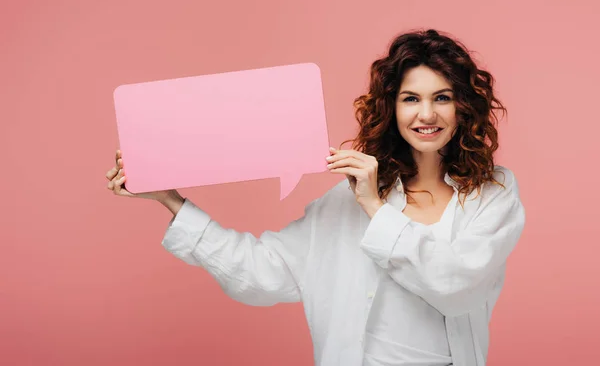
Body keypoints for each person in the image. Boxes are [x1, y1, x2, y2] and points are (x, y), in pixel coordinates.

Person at [105, 29, 526, 366]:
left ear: (464, 108)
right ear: (391, 108)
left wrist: (375, 209)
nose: (426, 115)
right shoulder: (348, 200)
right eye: (410, 98)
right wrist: (171, 200)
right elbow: (264, 273)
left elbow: (454, 287)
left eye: (443, 98)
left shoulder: (493, 195)